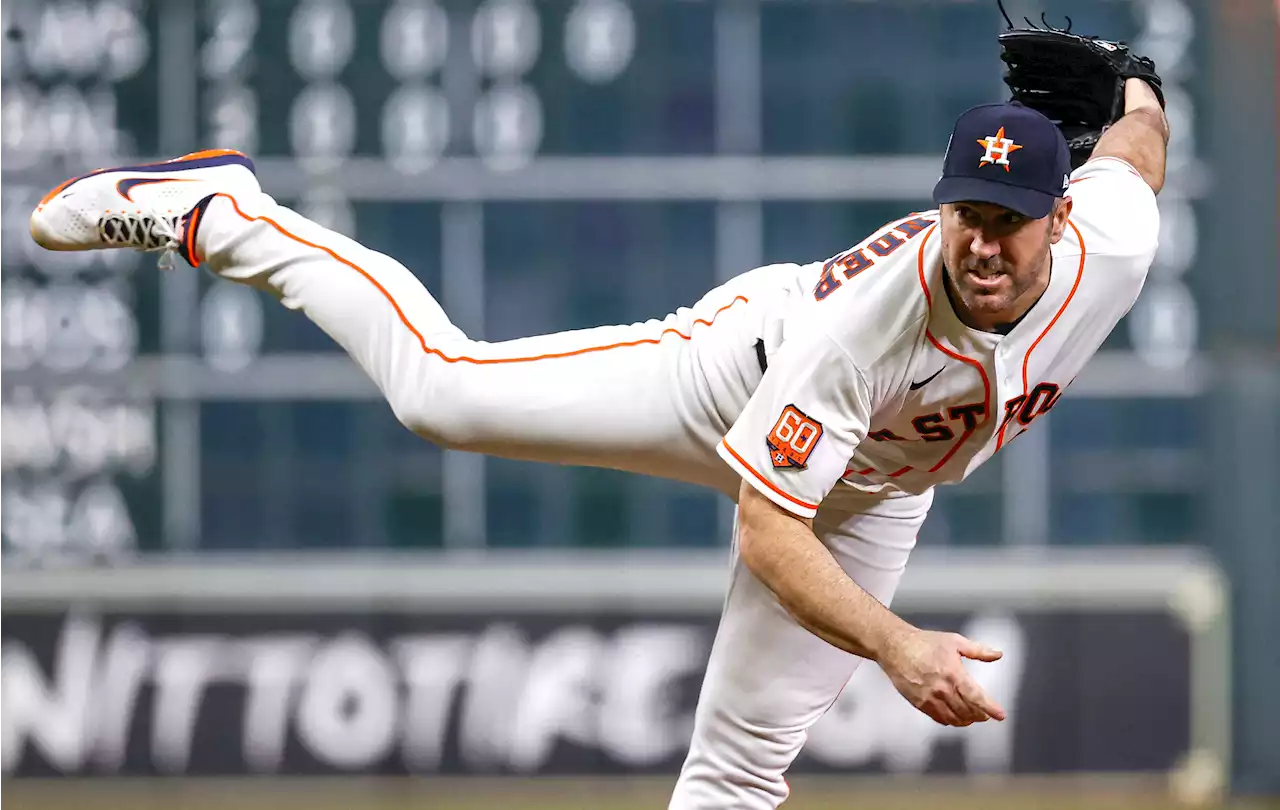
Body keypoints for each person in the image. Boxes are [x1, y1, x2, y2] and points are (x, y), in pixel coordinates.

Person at [29, 76, 1168, 809]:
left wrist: (1131, 80)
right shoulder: (869, 320)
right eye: (969, 212)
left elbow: (1138, 144)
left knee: (735, 770)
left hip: (876, 487)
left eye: (1010, 221)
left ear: (1059, 220)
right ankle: (226, 216)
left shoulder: (1107, 248)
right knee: (440, 392)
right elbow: (769, 533)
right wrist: (894, 647)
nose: (983, 242)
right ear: (945, 204)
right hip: (740, 376)